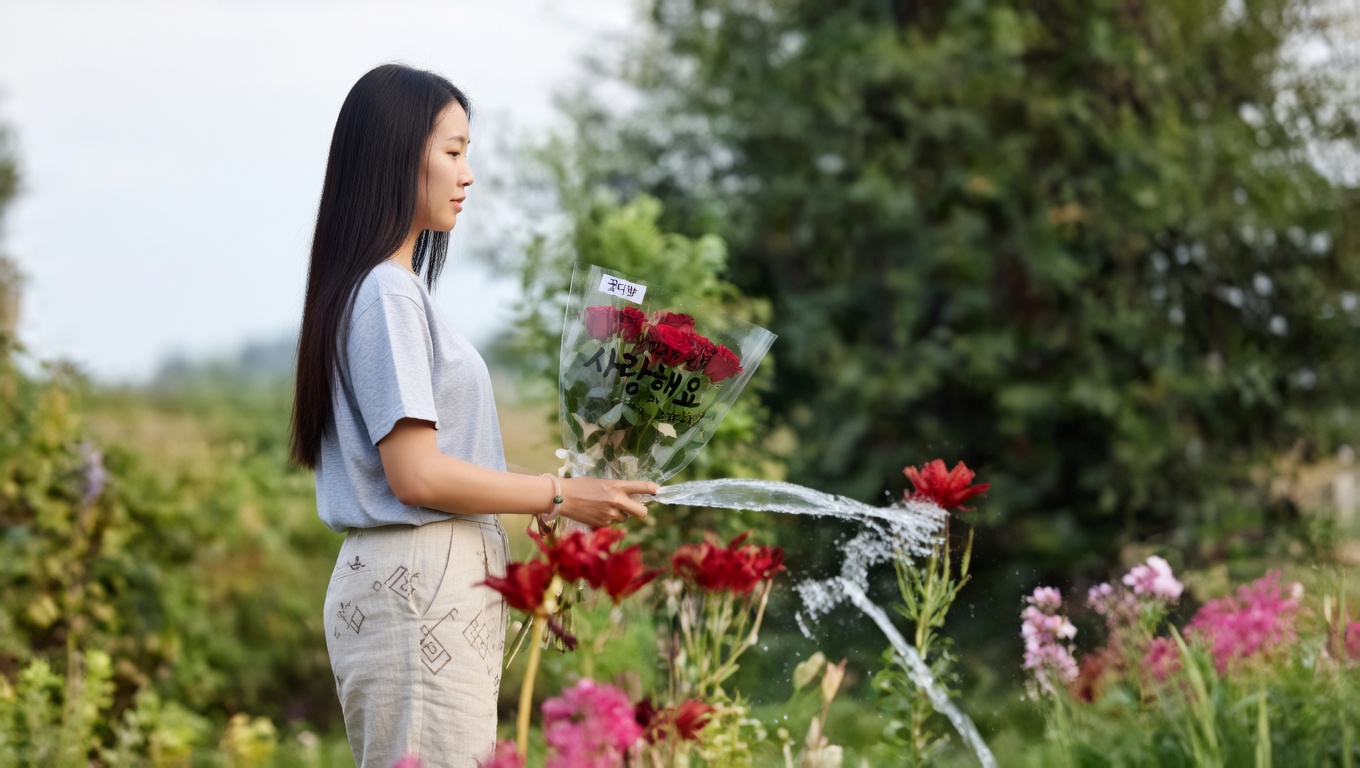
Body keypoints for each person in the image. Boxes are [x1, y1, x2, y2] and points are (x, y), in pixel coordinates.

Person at [288, 63, 657, 768]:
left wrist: (536, 497)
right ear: (399, 157)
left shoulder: (388, 292)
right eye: (453, 150)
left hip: (420, 583)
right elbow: (416, 476)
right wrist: (558, 493)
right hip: (418, 587)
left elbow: (433, 466)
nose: (468, 173)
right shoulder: (388, 295)